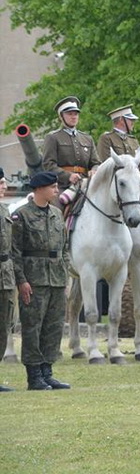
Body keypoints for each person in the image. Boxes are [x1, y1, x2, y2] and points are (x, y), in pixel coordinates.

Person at [11, 170, 69, 390]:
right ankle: (34, 375)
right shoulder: (22, 216)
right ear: (38, 189)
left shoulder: (57, 214)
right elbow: (15, 252)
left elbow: (64, 248)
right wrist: (21, 280)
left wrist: (64, 273)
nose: (56, 190)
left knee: (53, 327)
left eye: (56, 186)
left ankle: (47, 371)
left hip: (56, 278)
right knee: (32, 327)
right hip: (34, 279)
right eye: (52, 187)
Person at [41, 96, 101, 192]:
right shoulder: (53, 137)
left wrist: (94, 170)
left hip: (86, 184)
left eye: (76, 114)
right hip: (62, 186)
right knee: (56, 205)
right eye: (69, 114)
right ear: (61, 116)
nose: (74, 117)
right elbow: (48, 165)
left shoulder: (87, 138)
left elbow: (96, 163)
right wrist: (68, 176)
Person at [97, 104, 140, 181]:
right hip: (117, 185)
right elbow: (106, 165)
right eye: (130, 120)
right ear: (121, 120)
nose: (133, 122)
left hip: (135, 183)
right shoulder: (107, 138)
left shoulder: (133, 140)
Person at [0, 168, 15, 391]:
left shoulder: (5, 210)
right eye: (1, 183)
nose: (4, 186)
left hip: (5, 273)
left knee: (4, 324)